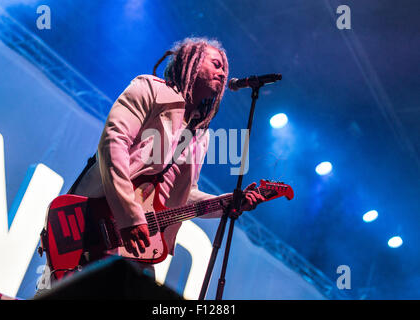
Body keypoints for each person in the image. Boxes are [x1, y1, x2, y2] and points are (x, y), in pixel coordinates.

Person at [36, 37, 264, 294]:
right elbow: (114, 143)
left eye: (225, 68)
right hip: (94, 220)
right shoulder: (151, 89)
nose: (223, 73)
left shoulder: (202, 135)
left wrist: (226, 202)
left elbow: (182, 196)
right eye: (216, 64)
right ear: (190, 61)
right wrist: (129, 216)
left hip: (137, 246)